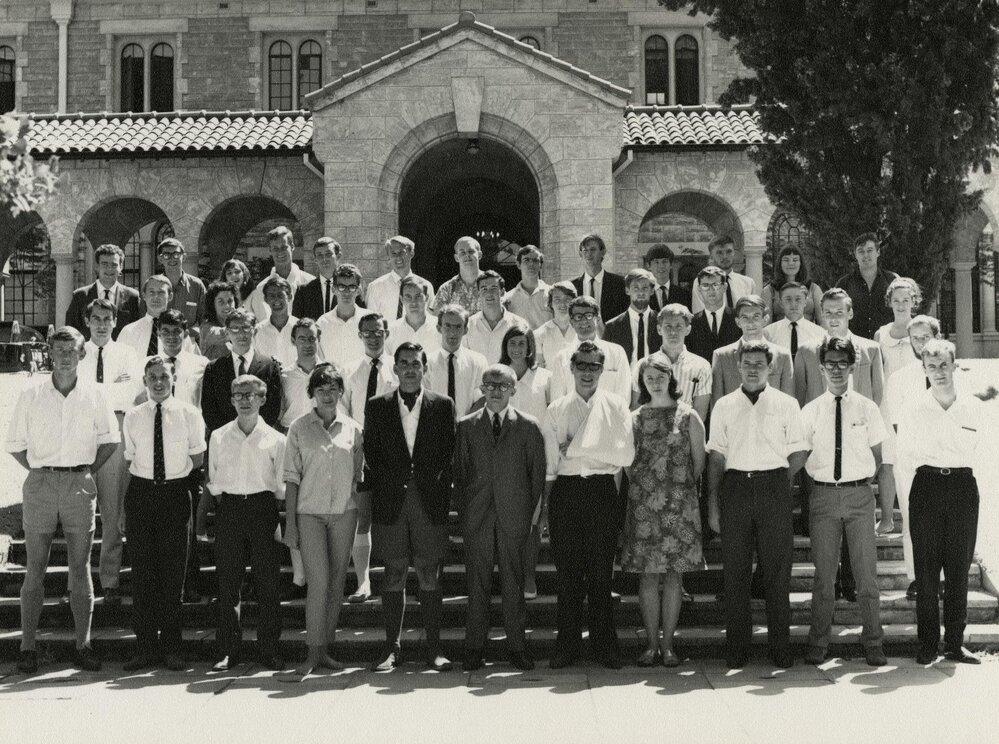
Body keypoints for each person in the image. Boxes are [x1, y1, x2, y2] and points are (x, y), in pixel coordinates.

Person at [6, 327, 120, 674]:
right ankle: (27, 647)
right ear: (50, 354)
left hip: (78, 483)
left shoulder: (95, 394)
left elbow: (111, 440)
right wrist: (44, 471)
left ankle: (82, 645)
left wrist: (83, 471)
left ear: (81, 355)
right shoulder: (32, 394)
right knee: (35, 566)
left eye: (71, 351)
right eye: (59, 351)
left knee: (80, 566)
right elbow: (16, 445)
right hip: (41, 483)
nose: (65, 357)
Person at [706, 340, 807, 668]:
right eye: (746, 363)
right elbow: (717, 457)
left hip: (773, 489)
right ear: (737, 366)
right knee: (735, 573)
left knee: (777, 573)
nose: (752, 369)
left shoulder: (787, 403)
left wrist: (777, 477)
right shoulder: (723, 405)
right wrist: (713, 502)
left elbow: (800, 451)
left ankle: (781, 648)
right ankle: (737, 648)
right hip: (735, 488)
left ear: (770, 367)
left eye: (759, 364)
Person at [896, 339, 990, 665]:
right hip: (927, 486)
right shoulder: (913, 408)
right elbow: (905, 456)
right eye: (932, 367)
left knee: (958, 571)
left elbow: (985, 450)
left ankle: (954, 643)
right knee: (926, 571)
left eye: (944, 365)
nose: (939, 372)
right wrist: (920, 493)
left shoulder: (974, 407)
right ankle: (928, 643)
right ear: (924, 369)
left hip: (963, 487)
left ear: (954, 366)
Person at [364, 342, 457, 672]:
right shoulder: (377, 407)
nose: (410, 369)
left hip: (428, 503)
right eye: (403, 363)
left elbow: (449, 453)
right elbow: (372, 455)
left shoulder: (443, 405)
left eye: (416, 363)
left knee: (429, 574)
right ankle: (392, 648)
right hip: (391, 502)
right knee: (393, 573)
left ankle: (435, 649)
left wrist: (434, 487)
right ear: (395, 368)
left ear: (425, 367)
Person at [543, 341, 636, 669]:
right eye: (581, 365)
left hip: (601, 493)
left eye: (594, 366)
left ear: (602, 370)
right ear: (571, 368)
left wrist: (578, 447)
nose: (587, 372)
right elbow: (552, 463)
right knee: (568, 577)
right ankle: (565, 647)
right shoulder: (556, 409)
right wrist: (544, 509)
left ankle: (604, 648)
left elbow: (624, 456)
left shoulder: (616, 405)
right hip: (566, 495)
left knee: (600, 576)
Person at [800, 337, 887, 667]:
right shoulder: (811, 410)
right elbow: (802, 452)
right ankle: (818, 642)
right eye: (830, 364)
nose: (836, 370)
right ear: (821, 368)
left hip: (858, 496)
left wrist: (858, 482)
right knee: (824, 578)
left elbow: (878, 456)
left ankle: (873, 642)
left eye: (842, 364)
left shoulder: (867, 408)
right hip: (822, 496)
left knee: (866, 576)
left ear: (853, 367)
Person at [454, 364, 546, 671]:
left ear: (513, 389)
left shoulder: (528, 427)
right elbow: (460, 473)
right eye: (489, 386)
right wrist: (466, 514)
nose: (495, 391)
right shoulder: (466, 427)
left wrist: (529, 517)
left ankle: (517, 648)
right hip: (478, 517)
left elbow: (536, 476)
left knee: (514, 584)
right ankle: (473, 648)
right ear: (481, 389)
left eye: (502, 386)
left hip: (514, 516)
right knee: (476, 584)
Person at [120, 356, 206, 671]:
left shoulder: (190, 415)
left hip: (175, 495)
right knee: (142, 575)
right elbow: (130, 458)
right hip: (142, 494)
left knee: (173, 575)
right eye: (152, 377)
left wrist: (172, 477)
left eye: (164, 376)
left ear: (173, 379)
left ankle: (171, 648)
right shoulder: (133, 416)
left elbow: (197, 458)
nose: (158, 382)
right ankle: (144, 648)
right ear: (144, 380)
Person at [281, 365, 365, 678]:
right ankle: (311, 653)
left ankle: (325, 649)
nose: (327, 395)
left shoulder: (354, 429)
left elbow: (358, 476)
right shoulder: (299, 429)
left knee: (337, 581)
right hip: (309, 514)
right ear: (312, 394)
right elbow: (291, 478)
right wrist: (290, 523)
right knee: (318, 582)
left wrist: (360, 512)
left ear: (341, 392)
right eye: (321, 390)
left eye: (332, 389)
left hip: (344, 512)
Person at [621, 356, 706, 667]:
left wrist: (675, 489)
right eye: (648, 377)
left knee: (673, 576)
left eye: (660, 376)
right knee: (646, 576)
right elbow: (628, 463)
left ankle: (668, 646)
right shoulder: (634, 417)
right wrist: (649, 489)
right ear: (642, 381)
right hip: (644, 506)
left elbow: (698, 463)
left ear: (671, 378)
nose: (654, 381)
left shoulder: (689, 416)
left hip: (679, 506)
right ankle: (650, 645)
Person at [206, 374, 287, 671]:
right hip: (229, 510)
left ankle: (269, 648)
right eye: (238, 395)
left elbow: (281, 485)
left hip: (263, 510)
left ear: (263, 399)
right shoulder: (218, 436)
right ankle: (228, 649)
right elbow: (213, 480)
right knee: (228, 583)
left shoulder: (277, 439)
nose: (244, 400)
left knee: (268, 583)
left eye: (251, 394)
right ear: (231, 400)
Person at [77, 299, 143, 606]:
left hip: (116, 428)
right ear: (87, 321)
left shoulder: (127, 354)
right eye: (96, 318)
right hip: (82, 431)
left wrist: (104, 392)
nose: (101, 324)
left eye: (107, 318)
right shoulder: (77, 353)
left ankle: (110, 580)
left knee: (114, 510)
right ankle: (76, 583)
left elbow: (129, 394)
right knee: (78, 512)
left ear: (114, 321)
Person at [882, 314, 943, 600]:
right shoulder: (899, 379)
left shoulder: (951, 374)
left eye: (925, 336)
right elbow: (897, 423)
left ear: (937, 337)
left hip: (946, 462)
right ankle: (917, 577)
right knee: (913, 520)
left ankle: (941, 579)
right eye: (915, 338)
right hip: (911, 462)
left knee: (944, 522)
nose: (920, 343)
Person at [342, 312, 398, 604]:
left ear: (386, 333)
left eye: (378, 332)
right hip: (359, 449)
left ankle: (393, 579)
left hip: (393, 452)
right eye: (368, 333)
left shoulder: (398, 368)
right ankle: (362, 581)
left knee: (391, 517)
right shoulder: (349, 370)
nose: (373, 337)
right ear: (359, 335)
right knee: (361, 517)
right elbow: (343, 411)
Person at [201, 308, 283, 436]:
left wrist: (253, 434)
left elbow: (273, 409)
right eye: (235, 329)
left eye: (246, 328)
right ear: (227, 333)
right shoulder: (213, 368)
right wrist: (231, 435)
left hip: (260, 439)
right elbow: (209, 411)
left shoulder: (270, 367)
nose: (241, 334)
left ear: (254, 331)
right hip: (225, 440)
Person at [632, 304, 712, 424]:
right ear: (659, 329)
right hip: (649, 434)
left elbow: (700, 414)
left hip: (685, 436)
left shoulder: (701, 366)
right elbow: (636, 407)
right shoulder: (643, 365)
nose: (673, 332)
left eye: (679, 326)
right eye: (668, 326)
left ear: (688, 330)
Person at [548, 296, 631, 403]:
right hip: (573, 417)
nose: (583, 321)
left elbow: (624, 395)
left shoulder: (617, 352)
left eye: (588, 315)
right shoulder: (562, 357)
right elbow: (557, 400)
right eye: (578, 317)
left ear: (598, 319)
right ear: (571, 322)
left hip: (609, 417)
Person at [711, 295, 794, 399]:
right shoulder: (721, 356)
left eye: (756, 316)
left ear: (765, 320)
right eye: (745, 317)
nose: (750, 322)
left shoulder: (783, 355)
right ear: (738, 322)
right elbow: (717, 402)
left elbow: (787, 400)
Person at [65, 243, 141, 340]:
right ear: (96, 266)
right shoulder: (80, 296)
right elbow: (71, 330)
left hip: (121, 352)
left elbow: (137, 331)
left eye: (114, 265)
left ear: (120, 267)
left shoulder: (132, 297)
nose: (109, 269)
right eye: (104, 264)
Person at [424, 304, 488, 417]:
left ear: (465, 330)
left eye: (458, 326)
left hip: (468, 427)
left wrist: (465, 424)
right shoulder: (427, 363)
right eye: (447, 326)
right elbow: (424, 399)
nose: (453, 332)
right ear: (439, 328)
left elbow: (482, 398)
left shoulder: (478, 362)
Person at [835, 232, 899, 339]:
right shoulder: (844, 284)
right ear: (855, 255)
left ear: (878, 252)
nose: (865, 255)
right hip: (855, 346)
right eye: (861, 251)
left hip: (886, 344)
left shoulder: (892, 280)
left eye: (870, 250)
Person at [246, 226, 316, 324]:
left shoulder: (311, 283)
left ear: (292, 246)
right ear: (270, 250)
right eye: (275, 248)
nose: (280, 252)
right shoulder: (261, 289)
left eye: (284, 247)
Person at [118, 274, 197, 359]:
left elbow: (190, 364)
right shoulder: (128, 332)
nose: (156, 297)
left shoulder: (179, 334)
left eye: (161, 292)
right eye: (151, 292)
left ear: (170, 296)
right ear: (144, 295)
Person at [364, 235, 435, 320]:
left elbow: (431, 319)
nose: (398, 257)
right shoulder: (375, 287)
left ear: (411, 253)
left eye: (402, 252)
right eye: (393, 253)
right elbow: (371, 321)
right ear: (388, 256)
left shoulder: (425, 286)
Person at [463, 271, 527, 364]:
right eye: (484, 289)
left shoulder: (519, 324)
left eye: (494, 288)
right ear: (478, 293)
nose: (489, 293)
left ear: (502, 292)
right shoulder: (468, 326)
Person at [602, 269, 662, 366]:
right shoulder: (612, 326)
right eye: (636, 288)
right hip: (625, 378)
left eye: (645, 288)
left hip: (654, 378)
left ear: (652, 291)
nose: (641, 292)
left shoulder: (661, 322)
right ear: (627, 290)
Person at [316, 263, 365, 368]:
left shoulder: (368, 321)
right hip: (332, 383)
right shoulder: (322, 323)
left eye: (352, 287)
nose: (346, 292)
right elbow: (319, 359)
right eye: (342, 287)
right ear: (334, 289)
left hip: (361, 383)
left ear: (358, 290)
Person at [687, 266, 741, 363]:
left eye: (716, 285)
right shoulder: (691, 322)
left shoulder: (738, 318)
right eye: (705, 285)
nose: (711, 290)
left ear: (725, 287)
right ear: (699, 289)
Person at [570, 233, 628, 321]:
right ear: (580, 254)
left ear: (603, 252)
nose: (589, 254)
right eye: (585, 250)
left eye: (593, 249)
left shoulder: (620, 283)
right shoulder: (572, 286)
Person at [692, 234, 756, 313]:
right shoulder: (701, 282)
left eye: (729, 251)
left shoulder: (748, 283)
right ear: (711, 256)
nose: (725, 256)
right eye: (719, 253)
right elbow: (700, 315)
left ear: (734, 253)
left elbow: (753, 312)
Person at [763, 281, 825, 360]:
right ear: (781, 303)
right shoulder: (768, 333)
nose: (793, 304)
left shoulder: (819, 333)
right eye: (788, 299)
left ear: (805, 301)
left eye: (798, 299)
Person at [760, 246, 824, 322]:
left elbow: (823, 320)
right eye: (786, 260)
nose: (790, 263)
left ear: (801, 263)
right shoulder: (769, 290)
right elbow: (766, 324)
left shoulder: (813, 289)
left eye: (795, 260)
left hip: (808, 332)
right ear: (780, 263)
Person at [874, 277, 921, 380]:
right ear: (890, 302)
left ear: (913, 302)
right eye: (896, 301)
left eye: (905, 300)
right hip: (889, 393)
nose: (901, 305)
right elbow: (877, 373)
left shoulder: (923, 331)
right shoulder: (880, 334)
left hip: (916, 393)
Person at [155, 238, 207, 329]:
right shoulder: (154, 285)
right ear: (160, 259)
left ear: (184, 257)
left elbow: (204, 320)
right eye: (166, 255)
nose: (172, 259)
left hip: (189, 339)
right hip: (160, 341)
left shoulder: (197, 286)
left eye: (176, 254)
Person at [385, 275, 442, 356]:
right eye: (408, 297)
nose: (413, 303)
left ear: (426, 298)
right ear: (402, 299)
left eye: (418, 297)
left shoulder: (440, 328)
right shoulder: (391, 330)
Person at [430, 236, 486, 315]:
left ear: (479, 255)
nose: (467, 255)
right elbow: (437, 320)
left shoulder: (491, 284)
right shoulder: (446, 288)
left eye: (471, 251)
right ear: (456, 258)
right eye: (462, 252)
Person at [502, 245, 552, 329]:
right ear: (518, 264)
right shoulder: (509, 299)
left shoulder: (552, 294)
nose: (531, 264)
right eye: (526, 260)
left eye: (535, 260)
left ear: (540, 265)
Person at [292, 237, 342, 320]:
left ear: (338, 256)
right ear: (315, 260)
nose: (324, 259)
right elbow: (297, 324)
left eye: (328, 254)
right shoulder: (303, 291)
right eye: (319, 255)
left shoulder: (350, 287)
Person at [254, 276, 298, 368]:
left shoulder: (300, 328)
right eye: (272, 296)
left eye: (280, 295)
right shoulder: (257, 331)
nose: (276, 299)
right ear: (266, 299)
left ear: (289, 297)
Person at [534, 280, 578, 368]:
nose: (562, 304)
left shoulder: (582, 330)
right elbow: (540, 369)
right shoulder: (539, 334)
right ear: (550, 303)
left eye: (567, 299)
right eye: (557, 299)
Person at [643, 243, 692, 314]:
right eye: (656, 262)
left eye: (664, 261)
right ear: (649, 266)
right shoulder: (644, 294)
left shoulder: (684, 294)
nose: (661, 266)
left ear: (671, 264)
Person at [199, 280, 240, 361]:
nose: (227, 306)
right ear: (212, 304)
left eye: (230, 301)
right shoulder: (206, 328)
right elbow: (222, 334)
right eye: (221, 302)